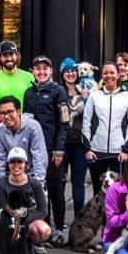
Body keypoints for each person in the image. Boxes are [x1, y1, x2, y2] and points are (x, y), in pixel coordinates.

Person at [22, 54, 69, 245]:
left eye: (45, 69)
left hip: (52, 151)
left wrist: (59, 150)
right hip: (34, 151)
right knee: (39, 191)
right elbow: (26, 120)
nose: (41, 72)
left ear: (51, 71)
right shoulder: (28, 93)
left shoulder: (59, 92)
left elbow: (64, 123)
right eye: (38, 68)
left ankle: (58, 228)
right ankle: (43, 227)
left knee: (56, 191)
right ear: (33, 71)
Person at [82, 62, 128, 197]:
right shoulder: (94, 96)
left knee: (118, 191)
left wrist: (126, 150)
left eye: (112, 72)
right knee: (98, 191)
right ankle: (99, 218)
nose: (109, 76)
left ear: (118, 75)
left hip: (118, 153)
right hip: (96, 151)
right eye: (105, 73)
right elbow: (86, 122)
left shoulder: (127, 97)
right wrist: (87, 149)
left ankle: (116, 218)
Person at [0, 146, 51, 254]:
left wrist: (23, 219)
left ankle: (29, 243)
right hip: (8, 215)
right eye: (12, 162)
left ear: (25, 164)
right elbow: (3, 206)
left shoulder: (35, 183)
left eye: (20, 161)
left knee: (43, 230)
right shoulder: (0, 183)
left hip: (28, 217)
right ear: (8, 164)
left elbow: (43, 210)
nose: (16, 165)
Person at [59, 57, 89, 217]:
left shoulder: (85, 89)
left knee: (78, 182)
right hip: (62, 143)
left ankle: (78, 217)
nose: (70, 73)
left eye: (73, 70)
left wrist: (86, 98)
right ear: (62, 74)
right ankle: (59, 218)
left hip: (79, 143)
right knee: (61, 182)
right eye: (66, 71)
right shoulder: (58, 91)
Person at [0, 96, 47, 185]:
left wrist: (39, 184)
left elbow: (39, 157)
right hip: (10, 176)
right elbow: (0, 159)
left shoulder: (33, 126)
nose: (6, 116)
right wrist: (1, 185)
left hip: (31, 175)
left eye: (10, 112)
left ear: (18, 111)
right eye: (2, 113)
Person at [0, 41, 33, 106]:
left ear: (16, 56)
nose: (9, 58)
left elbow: (33, 103)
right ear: (0, 58)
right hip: (3, 116)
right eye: (5, 55)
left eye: (11, 54)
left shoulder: (29, 77)